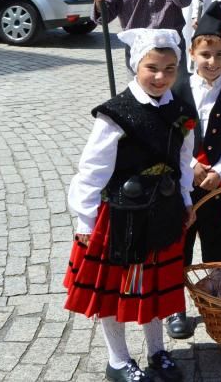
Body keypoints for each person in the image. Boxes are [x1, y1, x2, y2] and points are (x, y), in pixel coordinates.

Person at [64, 28, 196, 382]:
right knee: (117, 289)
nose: (160, 76)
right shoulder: (116, 113)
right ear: (136, 65)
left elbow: (185, 161)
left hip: (164, 211)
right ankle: (118, 360)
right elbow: (93, 168)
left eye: (170, 69)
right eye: (152, 67)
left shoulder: (181, 111)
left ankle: (156, 351)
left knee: (154, 286)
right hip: (122, 214)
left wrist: (186, 199)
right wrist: (85, 220)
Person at [165, 0, 221, 339]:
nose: (212, 62)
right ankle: (176, 307)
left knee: (217, 245)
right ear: (191, 53)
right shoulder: (175, 89)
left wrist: (219, 171)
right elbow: (168, 134)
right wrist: (190, 166)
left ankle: (220, 301)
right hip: (183, 183)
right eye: (205, 55)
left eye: (220, 55)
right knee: (180, 244)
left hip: (218, 183)